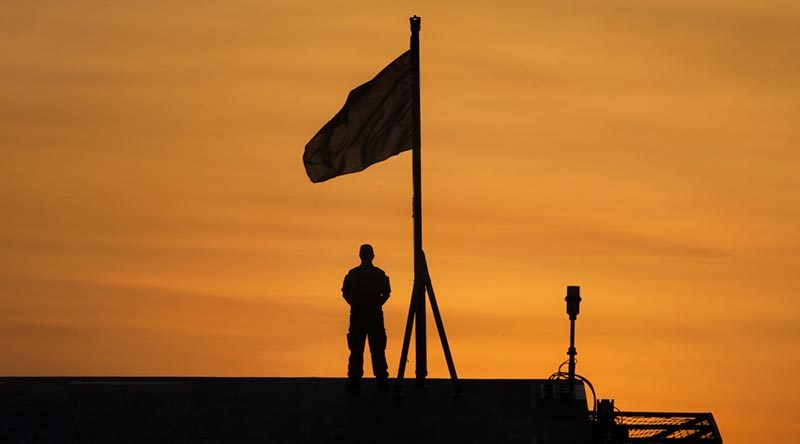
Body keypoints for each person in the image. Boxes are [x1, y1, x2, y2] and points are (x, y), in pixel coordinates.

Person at [342, 244, 390, 389]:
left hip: (366, 315)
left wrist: (357, 304)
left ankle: (374, 378)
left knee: (373, 348)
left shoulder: (356, 274)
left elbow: (386, 293)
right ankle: (363, 378)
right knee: (361, 348)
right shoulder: (374, 274)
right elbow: (345, 293)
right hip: (365, 315)